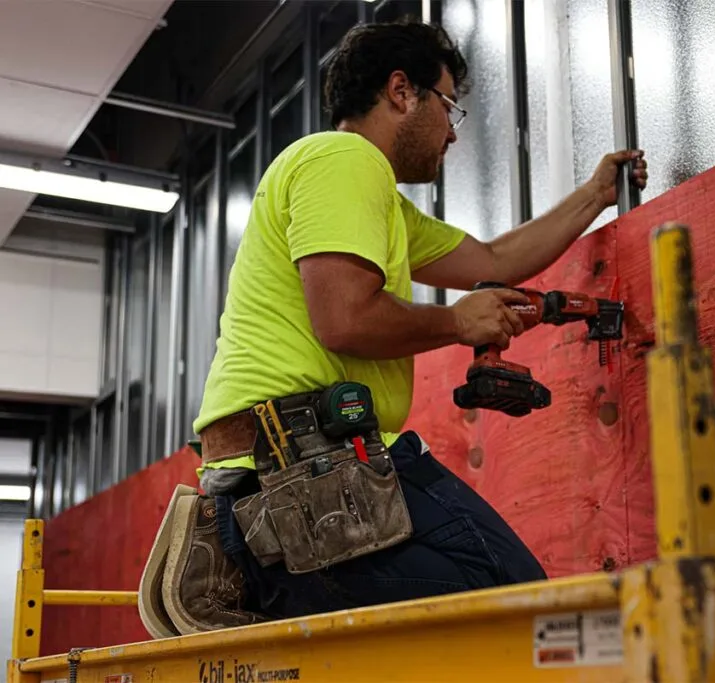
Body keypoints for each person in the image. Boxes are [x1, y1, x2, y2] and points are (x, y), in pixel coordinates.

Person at [138, 17, 647, 637]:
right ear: (402, 91)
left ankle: (247, 567)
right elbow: (345, 319)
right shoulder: (343, 160)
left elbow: (492, 261)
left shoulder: (375, 199)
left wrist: (595, 194)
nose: (452, 136)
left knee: (500, 618)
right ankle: (250, 570)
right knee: (523, 613)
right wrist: (459, 321)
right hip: (302, 470)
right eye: (449, 107)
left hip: (293, 471)